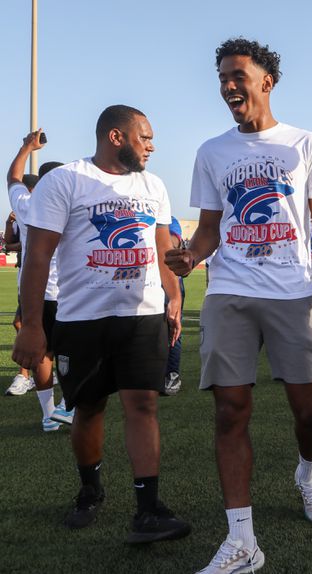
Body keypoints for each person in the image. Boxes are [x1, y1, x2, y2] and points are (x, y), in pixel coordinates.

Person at [164, 38, 312, 574]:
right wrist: (189, 257)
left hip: (294, 292)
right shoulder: (212, 151)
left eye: (237, 76)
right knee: (229, 410)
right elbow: (208, 231)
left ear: (266, 82)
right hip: (230, 291)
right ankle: (242, 540)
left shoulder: (306, 144)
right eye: (222, 77)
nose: (228, 86)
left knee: (309, 412)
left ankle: (307, 472)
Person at [12, 105, 190, 542]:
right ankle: (90, 491)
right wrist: (33, 325)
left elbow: (161, 245)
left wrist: (174, 296)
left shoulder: (154, 185)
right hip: (82, 319)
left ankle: (148, 509)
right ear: (116, 137)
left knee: (143, 406)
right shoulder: (65, 180)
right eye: (144, 137)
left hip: (142, 316)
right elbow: (38, 256)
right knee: (89, 408)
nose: (152, 145)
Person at [6, 129, 73, 429]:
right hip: (69, 293)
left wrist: (26, 149)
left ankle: (49, 416)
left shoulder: (26, 204)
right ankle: (67, 405)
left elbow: (13, 179)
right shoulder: (73, 205)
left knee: (43, 353)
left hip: (34, 293)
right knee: (75, 352)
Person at [4, 209, 34, 396]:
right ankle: (24, 376)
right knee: (20, 323)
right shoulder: (21, 214)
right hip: (26, 277)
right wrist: (8, 222)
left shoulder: (45, 210)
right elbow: (9, 244)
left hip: (51, 277)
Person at [162, 217, 185, 396]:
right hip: (144, 281)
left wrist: (155, 233)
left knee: (173, 326)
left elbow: (172, 245)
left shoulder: (170, 219)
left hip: (170, 281)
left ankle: (172, 374)